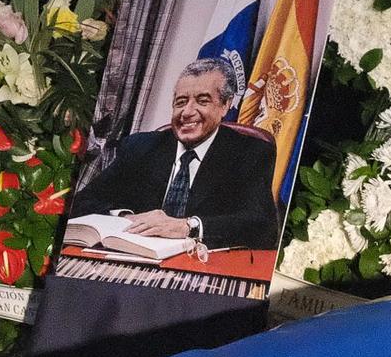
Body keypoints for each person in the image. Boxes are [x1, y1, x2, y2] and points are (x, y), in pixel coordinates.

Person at [71, 57, 280, 251]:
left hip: (202, 267)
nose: (187, 112)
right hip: (136, 257)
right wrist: (126, 217)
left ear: (225, 105)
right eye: (181, 102)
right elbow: (83, 201)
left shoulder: (250, 152)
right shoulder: (140, 146)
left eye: (202, 100)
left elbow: (262, 227)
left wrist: (188, 226)